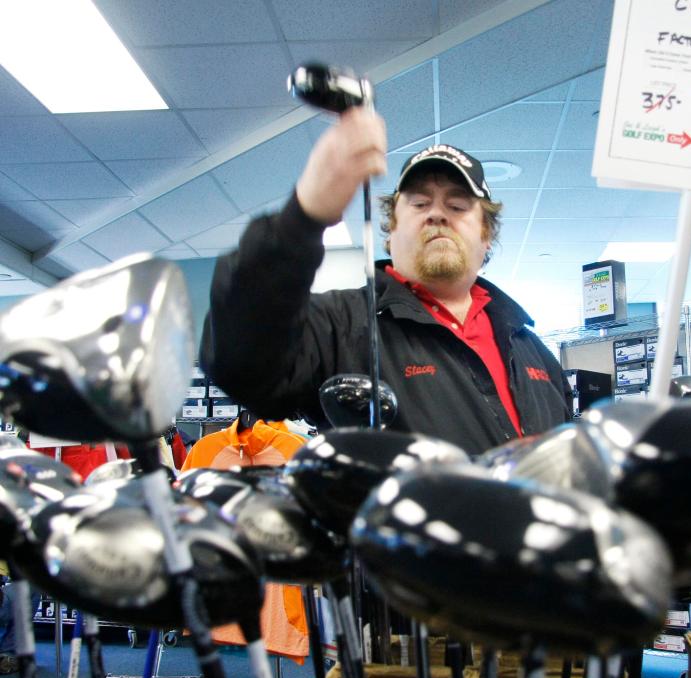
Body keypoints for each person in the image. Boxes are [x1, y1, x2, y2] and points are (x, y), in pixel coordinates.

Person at [200, 109, 571, 455]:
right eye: (420, 204)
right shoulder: (341, 326)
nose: (438, 214)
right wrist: (302, 218)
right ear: (390, 232)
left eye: (457, 206)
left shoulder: (529, 346)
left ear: (486, 236)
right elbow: (242, 363)